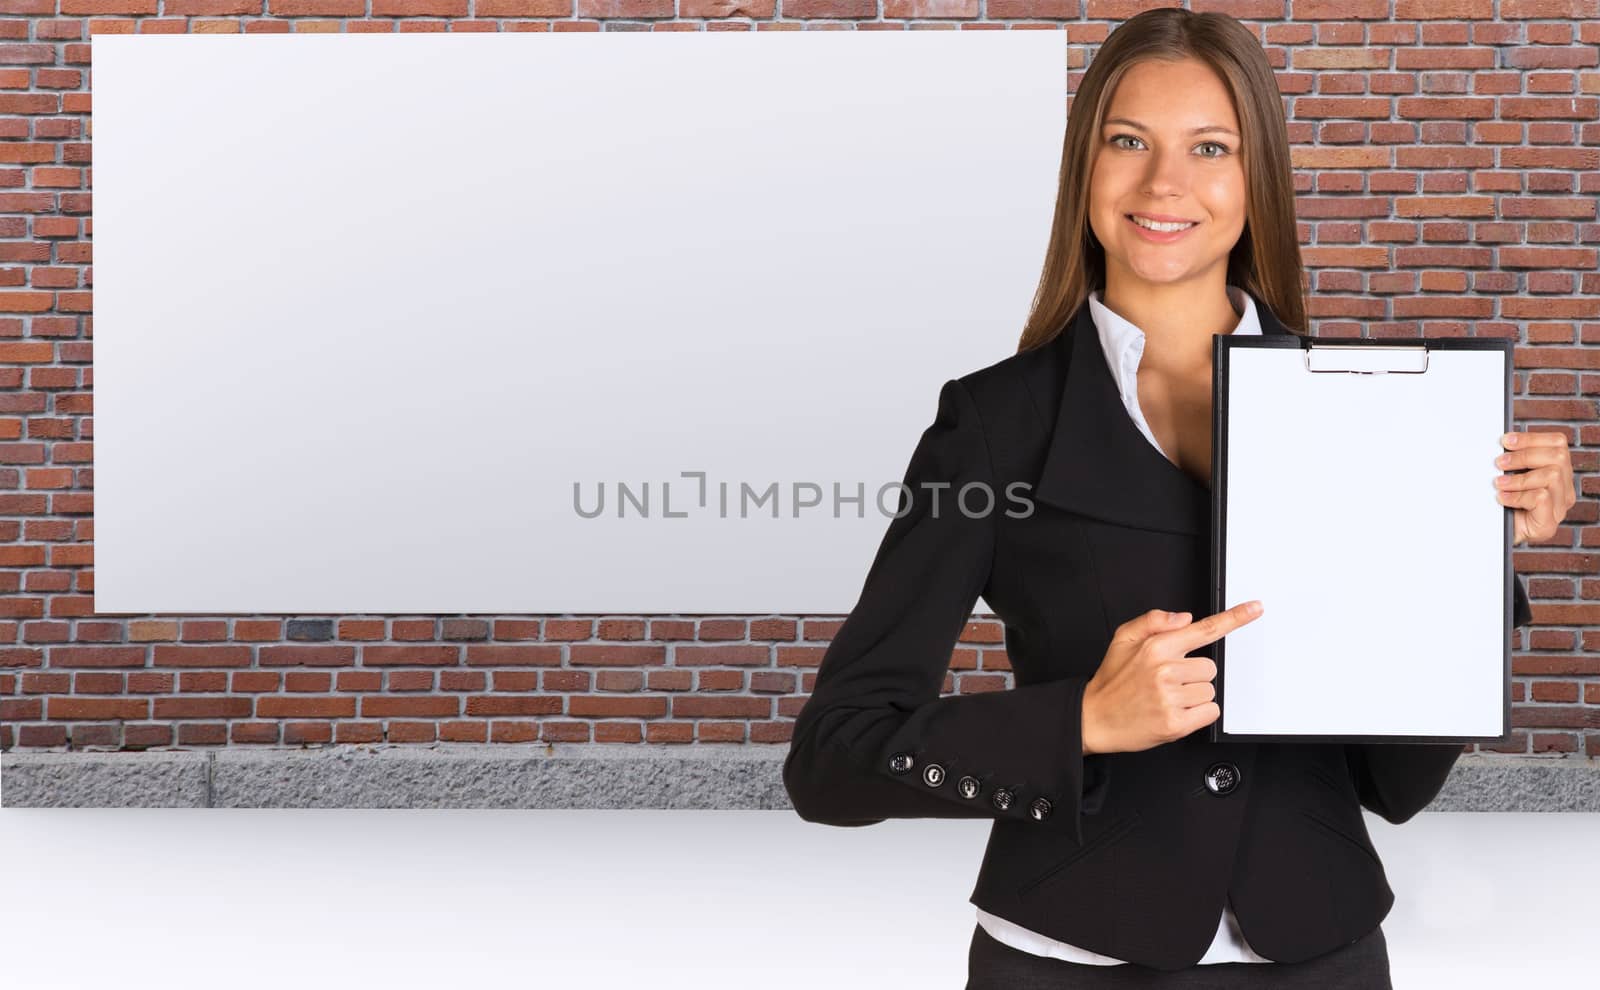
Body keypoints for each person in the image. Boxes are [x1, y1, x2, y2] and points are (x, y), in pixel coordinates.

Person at [782, 8, 1576, 988]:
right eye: (1128, 142)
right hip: (1067, 957)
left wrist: (1470, 549)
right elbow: (834, 758)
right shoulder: (994, 425)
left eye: (1209, 147)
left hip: (1320, 953)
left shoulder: (1378, 415)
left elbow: (1394, 784)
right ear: (1085, 166)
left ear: (1256, 178)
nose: (1164, 184)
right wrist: (1078, 721)